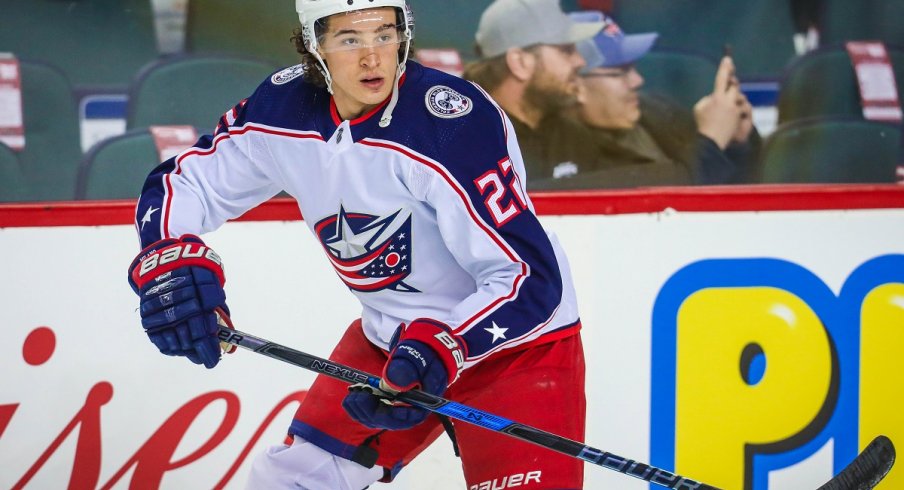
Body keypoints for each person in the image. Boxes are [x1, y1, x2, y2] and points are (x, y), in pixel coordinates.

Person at [126, 0, 587, 488]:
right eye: (350, 40)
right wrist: (168, 258)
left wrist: (448, 344)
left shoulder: (451, 123)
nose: (373, 57)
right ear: (313, 46)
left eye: (385, 35)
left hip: (513, 347)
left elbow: (531, 279)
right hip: (391, 341)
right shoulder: (283, 109)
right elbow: (187, 181)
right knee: (291, 482)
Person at [528, 12, 762, 190]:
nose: (638, 80)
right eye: (620, 72)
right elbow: (652, 202)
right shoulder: (556, 151)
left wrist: (736, 144)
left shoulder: (658, 113)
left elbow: (734, 195)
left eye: (634, 68)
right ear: (574, 84)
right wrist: (710, 143)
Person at [463, 0, 604, 173]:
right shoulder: (460, 143)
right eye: (566, 50)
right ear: (519, 62)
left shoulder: (575, 137)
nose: (580, 61)